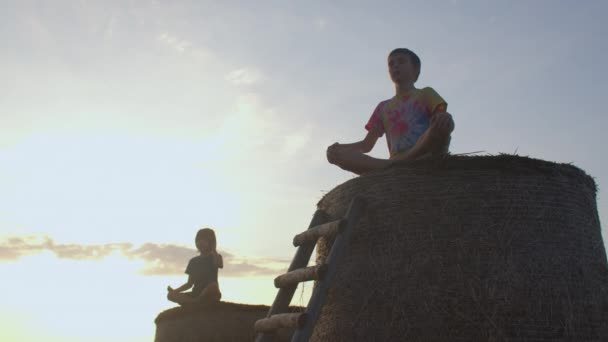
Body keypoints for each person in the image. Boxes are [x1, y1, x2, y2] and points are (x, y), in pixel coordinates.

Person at [326, 48, 455, 175]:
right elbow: (366, 145)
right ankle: (397, 164)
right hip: (395, 161)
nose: (395, 66)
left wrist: (444, 117)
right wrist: (339, 149)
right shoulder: (383, 107)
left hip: (426, 153)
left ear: (416, 69)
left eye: (401, 61)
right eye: (391, 64)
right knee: (342, 156)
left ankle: (395, 166)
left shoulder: (426, 93)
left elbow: (440, 117)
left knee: (443, 124)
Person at [167, 228, 223, 306]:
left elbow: (219, 264)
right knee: (170, 295)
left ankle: (193, 302)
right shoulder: (193, 261)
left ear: (210, 242)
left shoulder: (215, 257)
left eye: (203, 240)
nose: (200, 242)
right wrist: (175, 291)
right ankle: (196, 301)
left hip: (210, 293)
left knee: (213, 286)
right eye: (198, 240)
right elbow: (189, 283)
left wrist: (214, 249)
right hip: (195, 294)